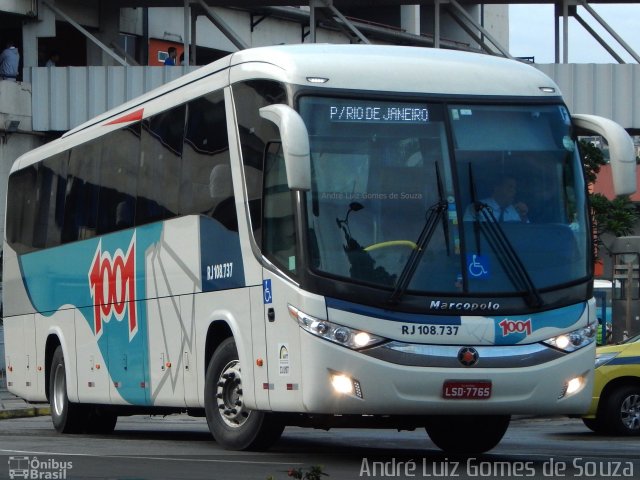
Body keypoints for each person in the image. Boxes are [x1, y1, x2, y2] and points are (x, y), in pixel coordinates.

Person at [464, 175, 528, 223]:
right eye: (510, 187)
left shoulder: (516, 211)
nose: (513, 191)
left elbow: (528, 235)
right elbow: (468, 232)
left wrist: (523, 216)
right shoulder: (477, 208)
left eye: (515, 188)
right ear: (496, 187)